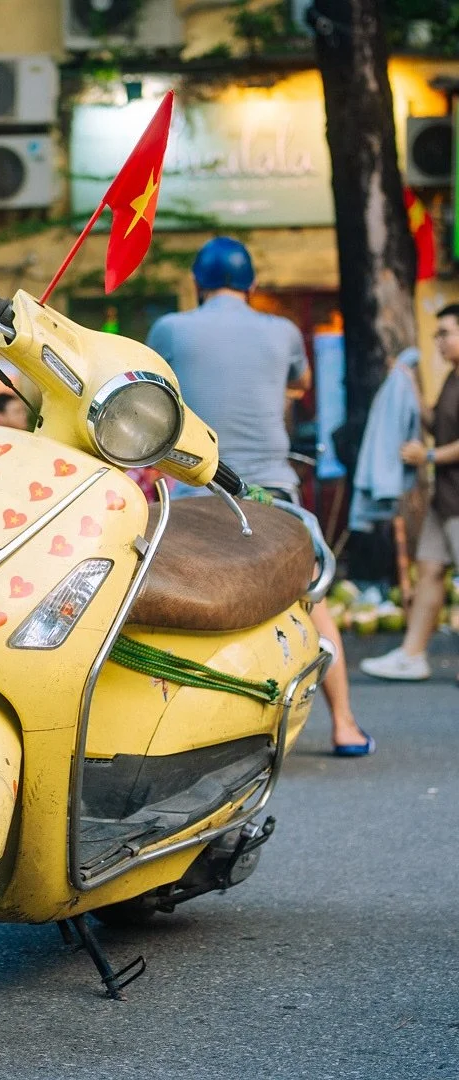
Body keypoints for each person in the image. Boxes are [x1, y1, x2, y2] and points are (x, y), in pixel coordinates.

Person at [147, 236, 372, 756]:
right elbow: (299, 382)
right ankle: (345, 725)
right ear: (250, 286)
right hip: (270, 492)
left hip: (196, 494)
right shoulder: (284, 331)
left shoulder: (170, 329)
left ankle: (179, 738)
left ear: (198, 285)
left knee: (189, 609)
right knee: (309, 596)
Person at [361, 304, 459, 682]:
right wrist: (410, 385)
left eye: (446, 333)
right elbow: (436, 423)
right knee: (430, 571)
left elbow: (441, 445)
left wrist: (428, 456)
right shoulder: (452, 377)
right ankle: (412, 655)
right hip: (445, 497)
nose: (439, 342)